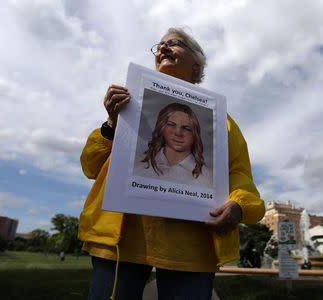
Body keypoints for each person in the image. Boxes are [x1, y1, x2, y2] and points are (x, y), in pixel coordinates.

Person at [79, 27, 265, 299]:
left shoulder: (221, 121)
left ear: (197, 64)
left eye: (174, 44)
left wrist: (238, 205)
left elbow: (239, 175)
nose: (163, 49)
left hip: (191, 246)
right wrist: (110, 125)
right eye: (159, 46)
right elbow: (91, 167)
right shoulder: (128, 105)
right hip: (121, 240)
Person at [134, 102, 213, 188]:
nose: (178, 133)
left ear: (195, 134)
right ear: (162, 127)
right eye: (171, 125)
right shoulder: (137, 165)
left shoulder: (209, 177)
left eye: (186, 128)